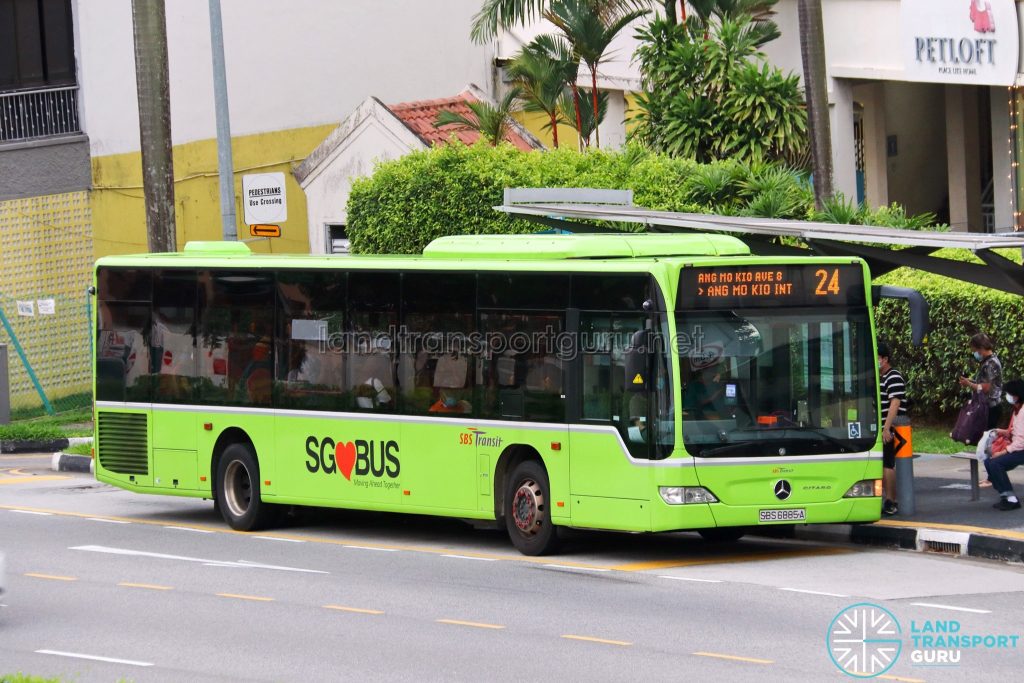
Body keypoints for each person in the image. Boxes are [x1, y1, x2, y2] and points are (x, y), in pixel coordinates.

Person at [878, 342, 909, 516]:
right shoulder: (881, 377)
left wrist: (886, 428)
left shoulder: (893, 376)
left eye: (877, 358)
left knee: (888, 463)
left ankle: (891, 500)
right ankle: (887, 497)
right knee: (883, 463)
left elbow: (895, 403)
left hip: (891, 427)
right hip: (883, 427)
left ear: (885, 359)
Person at [984, 379, 1024, 511]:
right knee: (988, 461)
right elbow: (1015, 432)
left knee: (996, 463)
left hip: (1021, 449)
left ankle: (1011, 500)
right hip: (1018, 448)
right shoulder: (1017, 410)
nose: (1007, 396)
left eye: (1008, 393)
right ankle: (1005, 494)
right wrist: (1001, 432)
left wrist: (1003, 452)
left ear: (1016, 395)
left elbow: (1021, 441)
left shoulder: (1023, 412)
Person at [958, 332, 1002, 431]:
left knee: (987, 439)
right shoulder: (987, 361)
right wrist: (971, 381)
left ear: (981, 348)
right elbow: (985, 382)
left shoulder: (991, 363)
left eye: (974, 350)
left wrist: (969, 384)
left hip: (991, 407)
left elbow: (986, 388)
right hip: (987, 406)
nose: (974, 353)